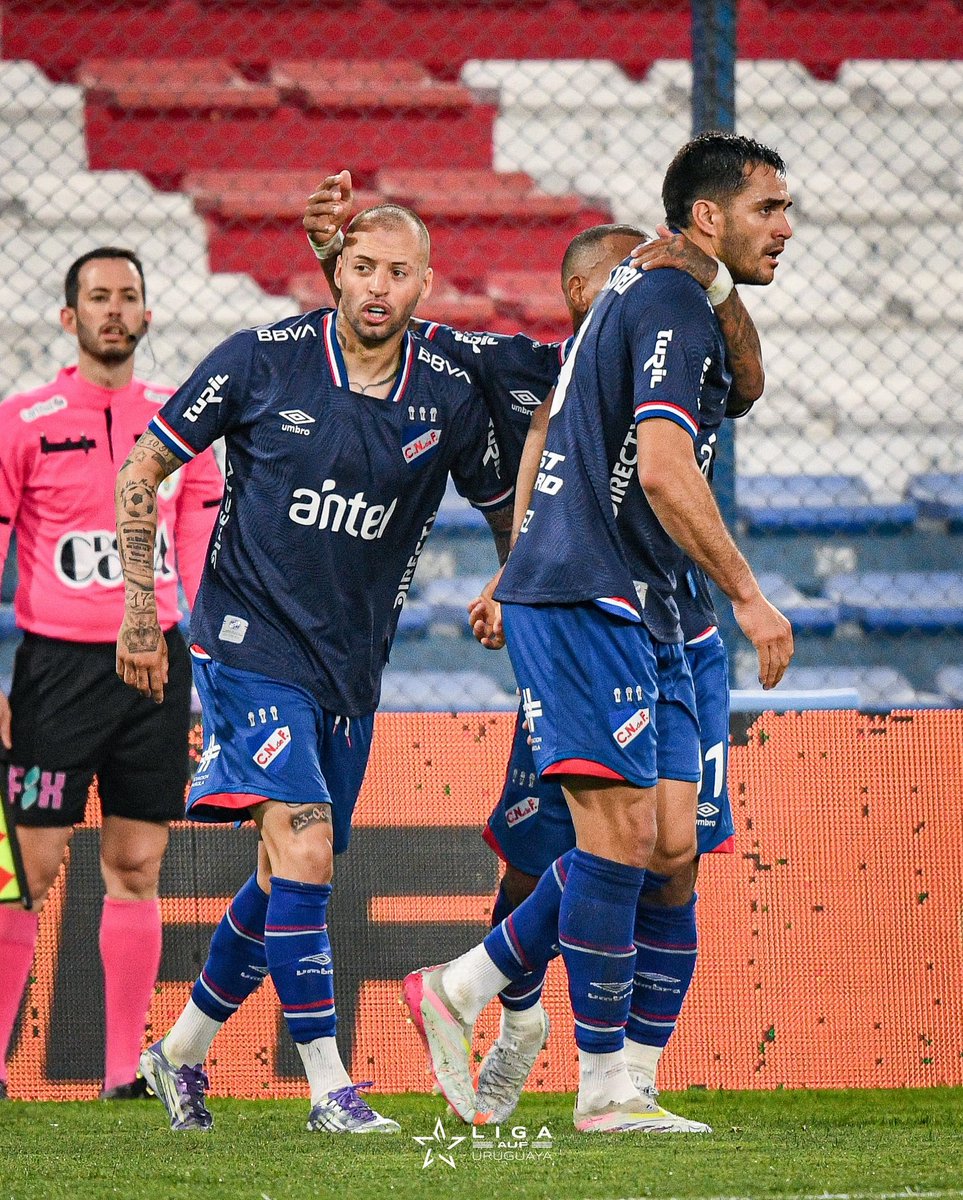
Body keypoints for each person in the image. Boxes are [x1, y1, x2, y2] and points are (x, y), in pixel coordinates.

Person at [303, 176, 769, 1129]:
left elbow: (744, 388)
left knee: (668, 853)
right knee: (551, 845)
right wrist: (511, 573)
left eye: (643, 275)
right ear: (581, 300)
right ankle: (507, 1016)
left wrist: (715, 289)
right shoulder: (545, 366)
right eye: (611, 285)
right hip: (583, 608)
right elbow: (395, 325)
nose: (630, 296)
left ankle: (607, 1072)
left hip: (673, 623)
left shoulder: (679, 336)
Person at [113, 202, 514, 1134]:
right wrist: (144, 608)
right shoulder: (261, 359)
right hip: (247, 646)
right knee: (304, 847)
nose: (378, 288)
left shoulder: (450, 386)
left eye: (398, 273)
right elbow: (142, 469)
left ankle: (177, 1056)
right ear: (336, 269)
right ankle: (330, 1089)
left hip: (350, 662)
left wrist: (507, 577)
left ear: (425, 282)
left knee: (286, 871)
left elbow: (504, 505)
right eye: (364, 268)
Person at [0, 248, 223, 1101]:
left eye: (129, 296)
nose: (114, 310)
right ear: (69, 317)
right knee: (24, 869)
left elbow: (198, 550)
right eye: (98, 297)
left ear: (147, 315)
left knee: (136, 863)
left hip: (156, 668)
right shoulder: (23, 419)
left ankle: (123, 1073)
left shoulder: (177, 421)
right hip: (54, 669)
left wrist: (203, 656)